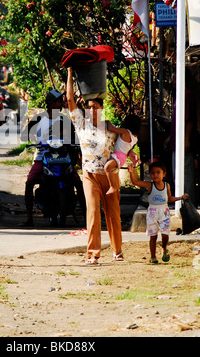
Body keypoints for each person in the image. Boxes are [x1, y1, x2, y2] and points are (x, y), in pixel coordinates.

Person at [66, 67, 139, 264]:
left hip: (110, 176)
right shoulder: (81, 124)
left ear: (101, 109)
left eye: (96, 107)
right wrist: (71, 73)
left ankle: (117, 251)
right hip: (89, 176)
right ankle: (93, 254)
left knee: (113, 214)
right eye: (89, 107)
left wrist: (131, 153)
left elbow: (123, 146)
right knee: (92, 213)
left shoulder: (110, 128)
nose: (92, 110)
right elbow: (70, 100)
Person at [22, 88, 85, 227]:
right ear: (51, 103)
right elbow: (25, 134)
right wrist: (35, 140)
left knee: (78, 182)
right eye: (58, 102)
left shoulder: (65, 119)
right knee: (30, 182)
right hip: (42, 157)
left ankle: (87, 217)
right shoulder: (39, 118)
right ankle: (29, 218)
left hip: (63, 157)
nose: (61, 104)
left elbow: (74, 137)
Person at [128, 161, 188, 264]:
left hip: (164, 211)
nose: (155, 175)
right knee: (153, 235)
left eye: (158, 172)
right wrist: (131, 172)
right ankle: (153, 256)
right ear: (150, 174)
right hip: (152, 212)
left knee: (165, 234)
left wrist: (181, 198)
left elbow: (169, 198)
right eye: (152, 173)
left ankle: (164, 248)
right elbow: (135, 183)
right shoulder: (149, 185)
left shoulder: (166, 185)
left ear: (164, 174)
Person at [165, 70, 198, 205]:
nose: (172, 81)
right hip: (176, 141)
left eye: (175, 78)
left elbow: (189, 119)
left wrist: (186, 139)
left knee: (185, 173)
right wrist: (170, 137)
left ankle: (189, 204)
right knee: (177, 172)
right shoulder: (178, 95)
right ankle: (182, 202)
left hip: (183, 141)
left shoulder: (186, 94)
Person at [105, 115, 141, 194]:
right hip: (122, 157)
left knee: (107, 167)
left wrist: (108, 121)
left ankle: (112, 187)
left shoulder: (125, 132)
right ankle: (112, 185)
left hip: (118, 156)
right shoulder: (135, 137)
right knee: (109, 169)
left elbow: (111, 129)